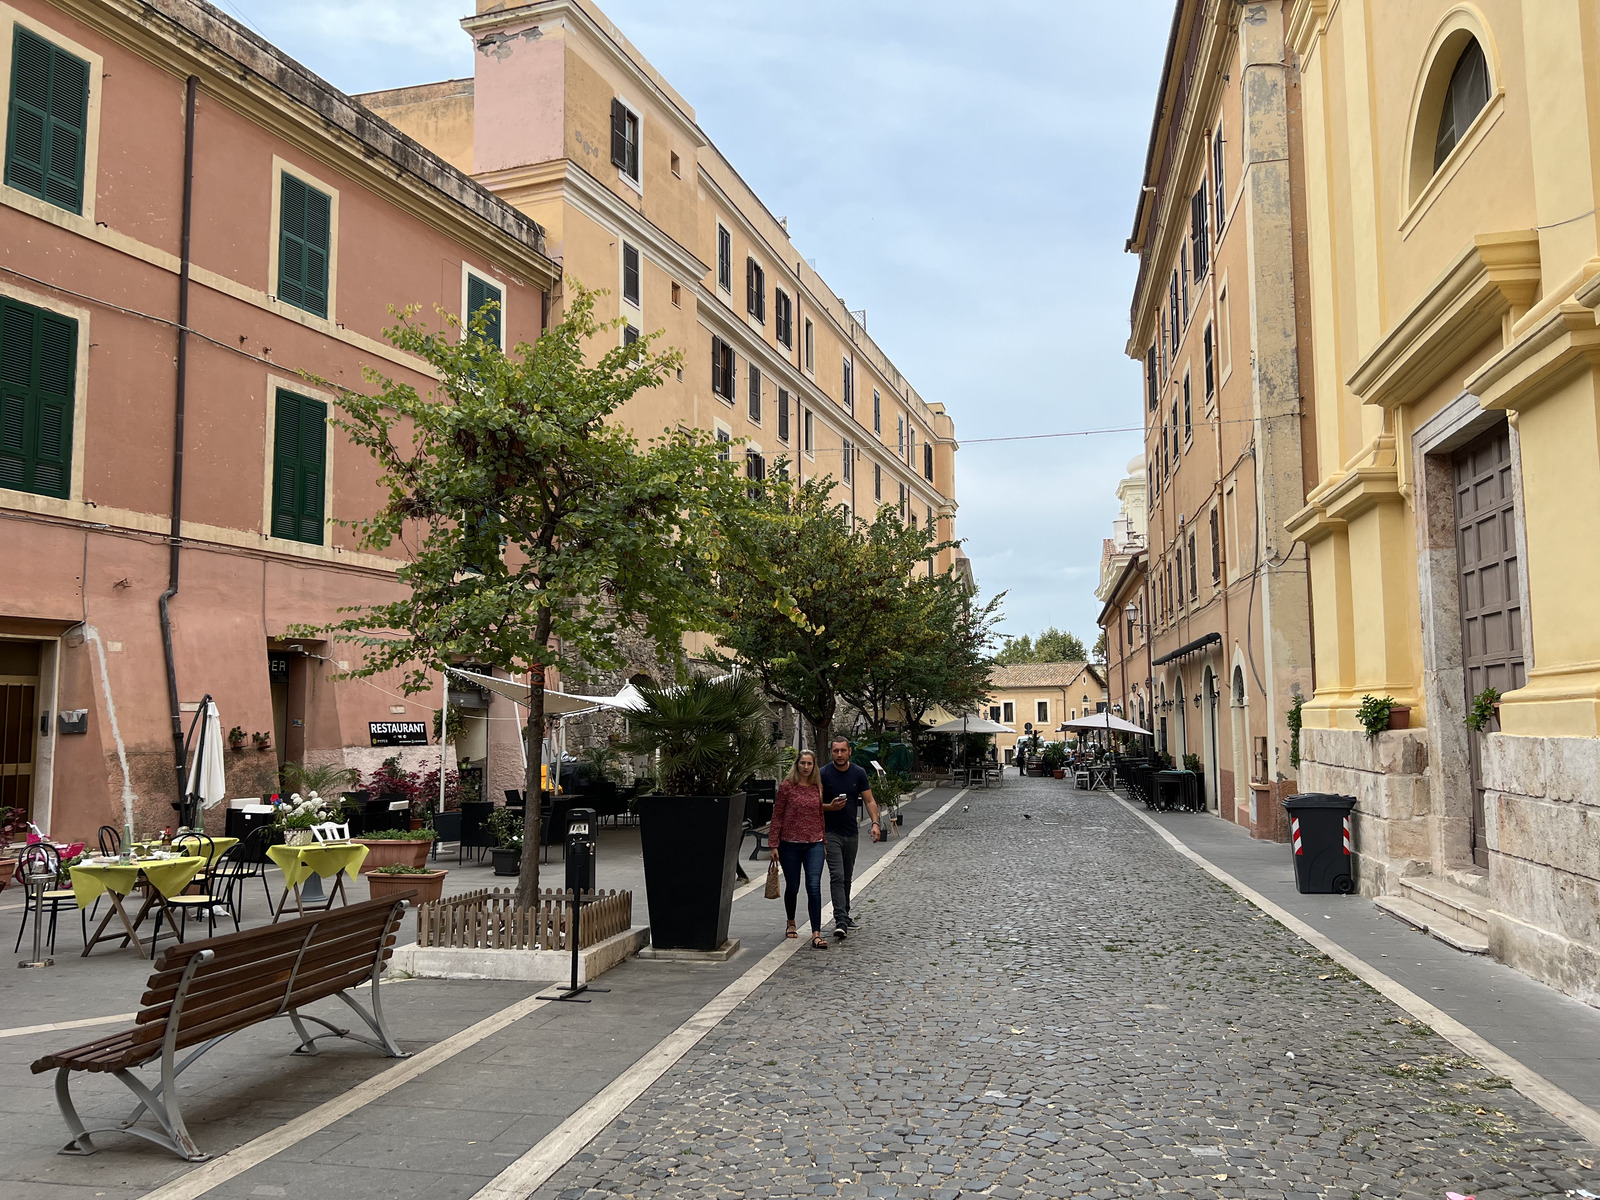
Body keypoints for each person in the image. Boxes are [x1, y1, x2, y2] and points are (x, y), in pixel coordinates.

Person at [820, 735, 880, 940]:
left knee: (846, 876)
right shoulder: (823, 774)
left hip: (851, 832)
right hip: (830, 832)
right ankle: (840, 920)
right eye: (835, 751)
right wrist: (830, 807)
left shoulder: (858, 773)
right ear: (831, 752)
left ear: (849, 751)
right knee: (836, 875)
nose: (839, 754)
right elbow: (814, 804)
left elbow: (869, 800)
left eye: (842, 750)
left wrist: (875, 823)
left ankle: (845, 913)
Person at [771, 750, 828, 950]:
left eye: (809, 764)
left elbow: (820, 814)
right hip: (790, 844)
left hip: (814, 843)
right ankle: (791, 921)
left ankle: (816, 933)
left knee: (813, 886)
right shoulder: (787, 787)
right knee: (793, 886)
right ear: (797, 765)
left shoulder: (817, 787)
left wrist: (824, 842)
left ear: (814, 766)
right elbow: (777, 815)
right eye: (802, 763)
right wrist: (773, 844)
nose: (806, 767)